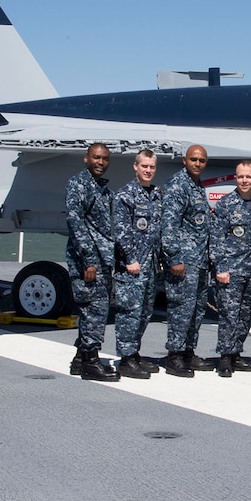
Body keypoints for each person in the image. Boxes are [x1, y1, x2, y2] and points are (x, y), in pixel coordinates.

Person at [159, 145, 214, 378]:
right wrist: (174, 258)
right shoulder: (177, 185)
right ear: (184, 160)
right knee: (181, 308)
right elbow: (169, 225)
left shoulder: (197, 186)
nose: (198, 164)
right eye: (194, 159)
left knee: (196, 309)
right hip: (184, 261)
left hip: (199, 261)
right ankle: (174, 355)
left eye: (201, 160)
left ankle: (188, 351)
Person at [65, 143, 118, 382]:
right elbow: (75, 224)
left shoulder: (102, 190)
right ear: (86, 159)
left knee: (92, 310)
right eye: (96, 158)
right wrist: (89, 261)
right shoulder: (79, 185)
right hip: (88, 262)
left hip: (100, 261)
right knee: (95, 311)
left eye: (105, 159)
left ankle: (80, 359)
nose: (100, 162)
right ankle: (91, 362)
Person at [111, 149, 164, 379]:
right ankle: (125, 359)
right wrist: (130, 259)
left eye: (152, 167)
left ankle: (134, 353)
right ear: (136, 166)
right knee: (129, 313)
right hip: (132, 267)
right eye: (144, 166)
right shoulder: (125, 195)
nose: (148, 170)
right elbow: (121, 232)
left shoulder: (156, 195)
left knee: (144, 313)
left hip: (150, 266)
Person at [211, 162, 251, 377]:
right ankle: (225, 357)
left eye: (248, 177)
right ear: (235, 178)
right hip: (230, 272)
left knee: (246, 315)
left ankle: (236, 353)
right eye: (241, 177)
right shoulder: (225, 205)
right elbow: (216, 238)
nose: (244, 180)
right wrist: (221, 268)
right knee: (229, 315)